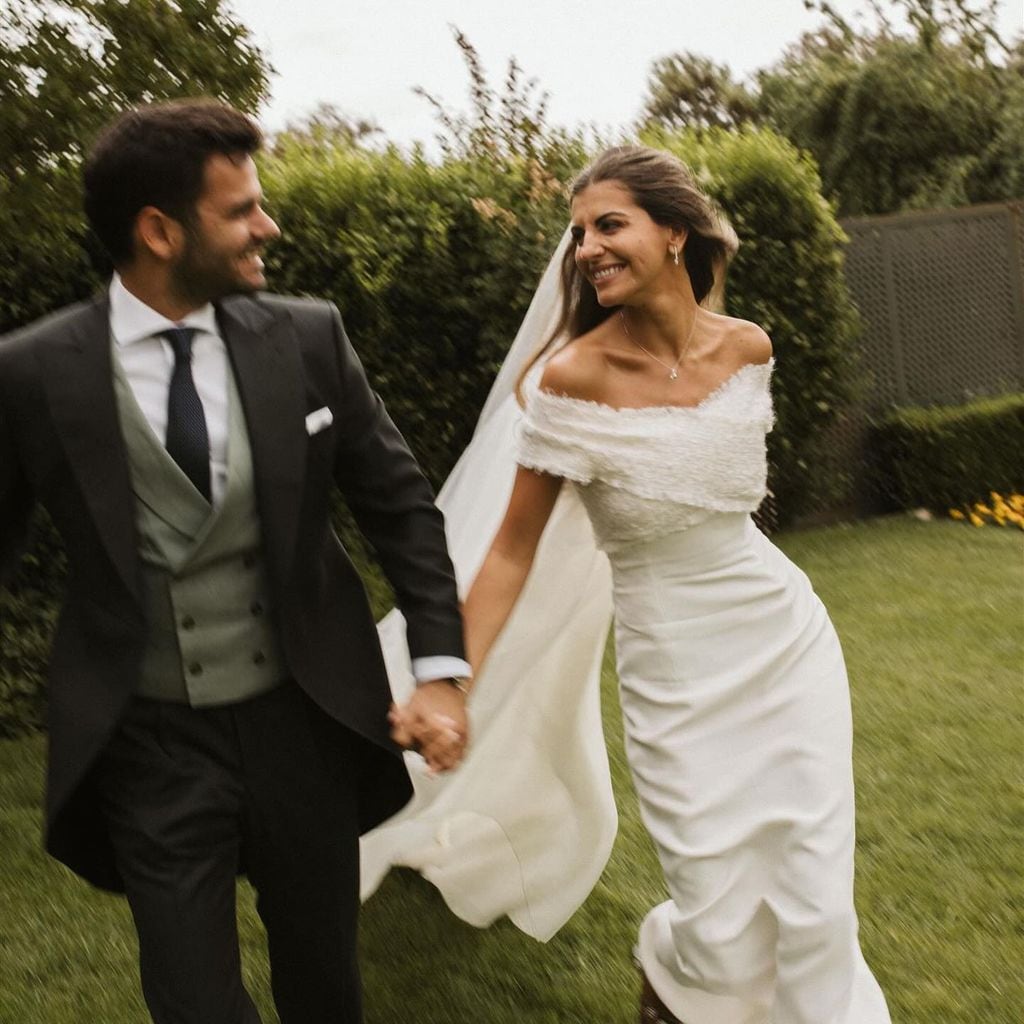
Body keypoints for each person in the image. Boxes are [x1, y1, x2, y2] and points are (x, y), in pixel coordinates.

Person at [384, 145, 891, 1024]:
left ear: (674, 234)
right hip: (674, 667)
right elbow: (509, 553)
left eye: (608, 225)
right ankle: (672, 969)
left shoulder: (749, 349)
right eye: (579, 232)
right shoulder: (570, 380)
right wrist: (448, 679)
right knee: (719, 916)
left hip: (782, 642)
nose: (586, 247)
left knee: (813, 896)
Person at [0, 98, 470, 1024]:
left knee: (323, 982)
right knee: (191, 999)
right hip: (149, 740)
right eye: (243, 209)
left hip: (305, 722)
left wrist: (442, 671)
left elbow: (402, 509)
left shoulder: (306, 336)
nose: (270, 225)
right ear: (159, 230)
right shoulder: (31, 371)